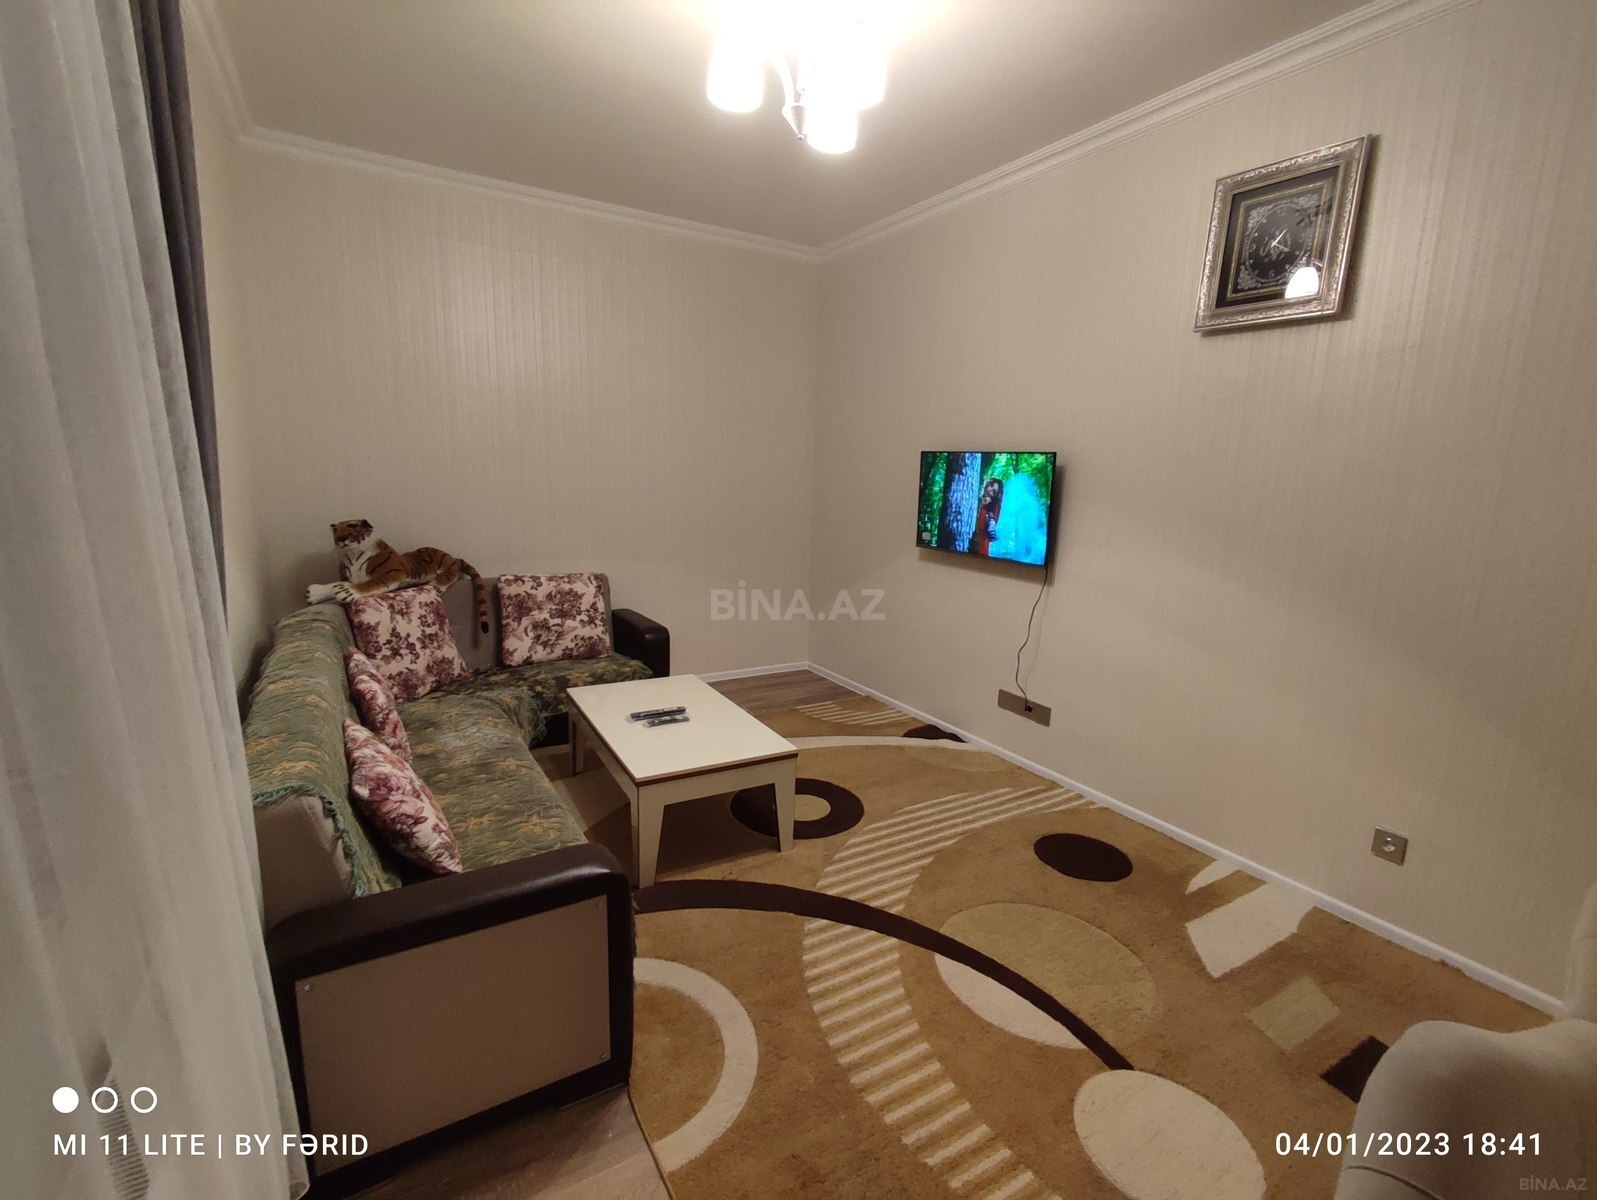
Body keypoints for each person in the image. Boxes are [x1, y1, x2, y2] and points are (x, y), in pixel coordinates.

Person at [972, 477, 1003, 556]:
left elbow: (982, 527)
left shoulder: (990, 513)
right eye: (991, 485)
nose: (990, 490)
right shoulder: (976, 492)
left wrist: (982, 505)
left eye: (993, 492)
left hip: (980, 546)